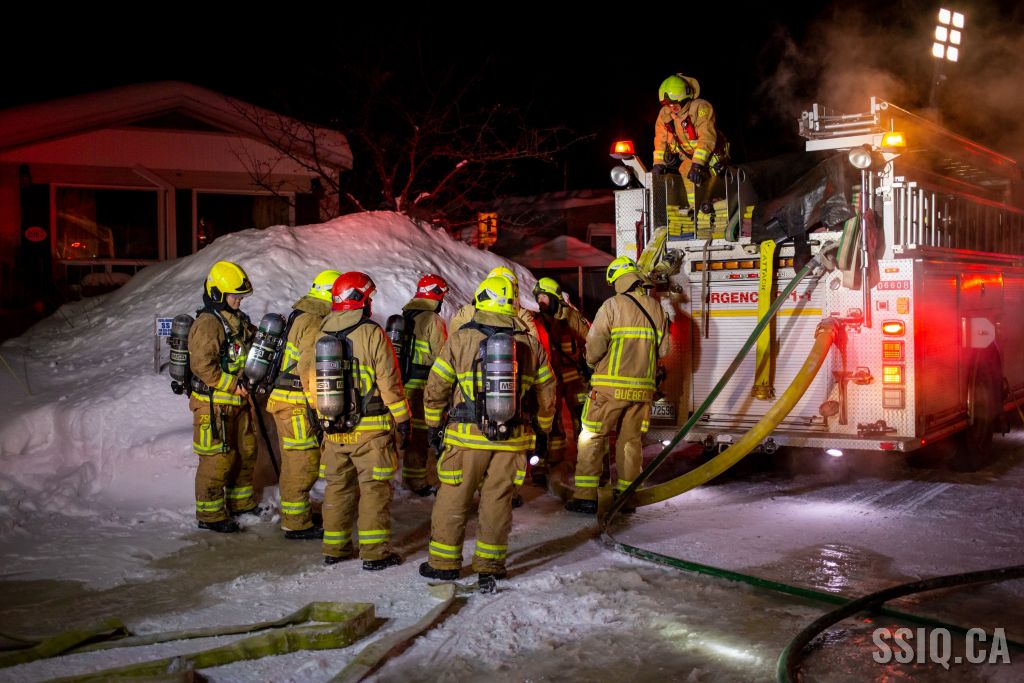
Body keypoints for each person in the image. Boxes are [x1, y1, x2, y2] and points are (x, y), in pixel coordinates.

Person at [419, 275, 556, 592]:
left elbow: (436, 388)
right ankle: (490, 566)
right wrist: (543, 430)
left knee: (454, 497)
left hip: (465, 437)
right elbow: (548, 394)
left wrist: (434, 425)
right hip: (513, 439)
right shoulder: (531, 343)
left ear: (480, 301)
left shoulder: (460, 339)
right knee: (498, 501)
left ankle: (443, 565)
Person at [299, 272, 409, 570]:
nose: (371, 303)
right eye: (369, 297)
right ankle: (374, 554)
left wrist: (322, 412)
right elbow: (388, 381)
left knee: (337, 487)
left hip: (333, 427)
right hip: (370, 429)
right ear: (359, 299)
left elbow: (306, 378)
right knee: (373, 489)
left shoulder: (319, 332)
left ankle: (334, 548)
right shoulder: (372, 333)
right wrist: (402, 418)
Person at [565, 257, 669, 515]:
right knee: (630, 441)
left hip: (609, 389)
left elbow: (595, 345)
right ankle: (626, 496)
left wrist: (590, 363)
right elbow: (664, 350)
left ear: (618, 281)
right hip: (642, 391)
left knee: (592, 437)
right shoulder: (657, 309)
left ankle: (585, 497)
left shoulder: (612, 305)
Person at [265, 269, 341, 540]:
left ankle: (296, 515)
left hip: (288, 399)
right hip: (295, 401)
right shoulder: (314, 321)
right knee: (302, 463)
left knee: (295, 461)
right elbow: (310, 368)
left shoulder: (302, 313)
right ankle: (296, 524)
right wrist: (320, 407)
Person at [188, 260, 258, 533]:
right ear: (217, 294)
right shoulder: (208, 323)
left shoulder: (235, 320)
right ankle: (210, 515)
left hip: (237, 402)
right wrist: (232, 385)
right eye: (234, 296)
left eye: (240, 296)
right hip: (213, 405)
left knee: (245, 453)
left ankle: (241, 504)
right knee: (217, 459)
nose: (239, 300)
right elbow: (202, 365)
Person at [528, 277, 590, 486]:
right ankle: (548, 463)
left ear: (555, 298)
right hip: (550, 380)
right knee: (549, 421)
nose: (541, 301)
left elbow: (590, 341)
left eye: (544, 297)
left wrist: (590, 367)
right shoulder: (537, 321)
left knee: (582, 420)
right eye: (538, 298)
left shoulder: (572, 317)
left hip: (575, 380)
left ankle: (587, 462)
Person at [396, 274, 449, 496]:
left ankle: (410, 478)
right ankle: (417, 481)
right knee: (421, 435)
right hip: (422, 387)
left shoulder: (406, 315)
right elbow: (443, 356)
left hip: (404, 385)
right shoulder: (433, 320)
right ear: (436, 295)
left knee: (410, 434)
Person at [651, 73, 729, 212]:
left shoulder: (701, 108)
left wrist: (698, 165)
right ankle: (695, 208)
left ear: (685, 98)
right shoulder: (665, 115)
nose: (671, 108)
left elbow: (707, 138)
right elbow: (660, 140)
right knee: (685, 169)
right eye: (667, 105)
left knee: (705, 175)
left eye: (675, 105)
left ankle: (711, 204)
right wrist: (658, 164)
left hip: (713, 155)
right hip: (690, 158)